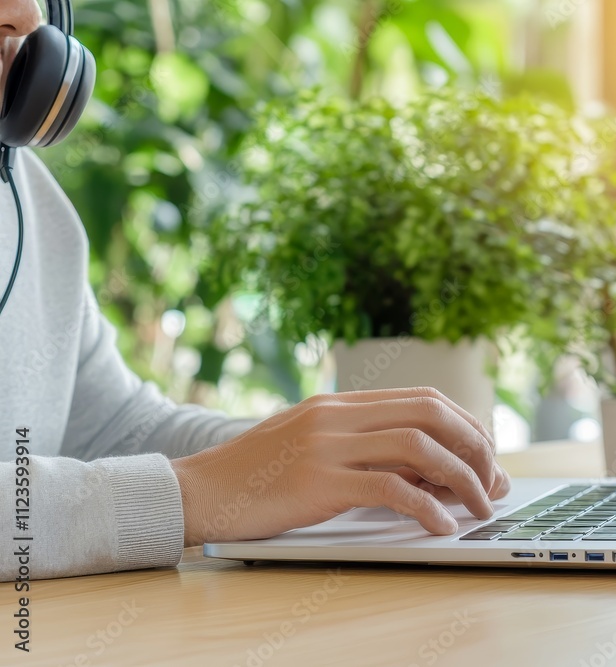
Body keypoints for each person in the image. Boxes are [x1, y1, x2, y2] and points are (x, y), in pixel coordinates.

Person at [0, 0, 510, 582]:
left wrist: (314, 455)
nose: (24, 13)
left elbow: (113, 428)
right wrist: (196, 494)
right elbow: (186, 484)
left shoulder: (29, 200)